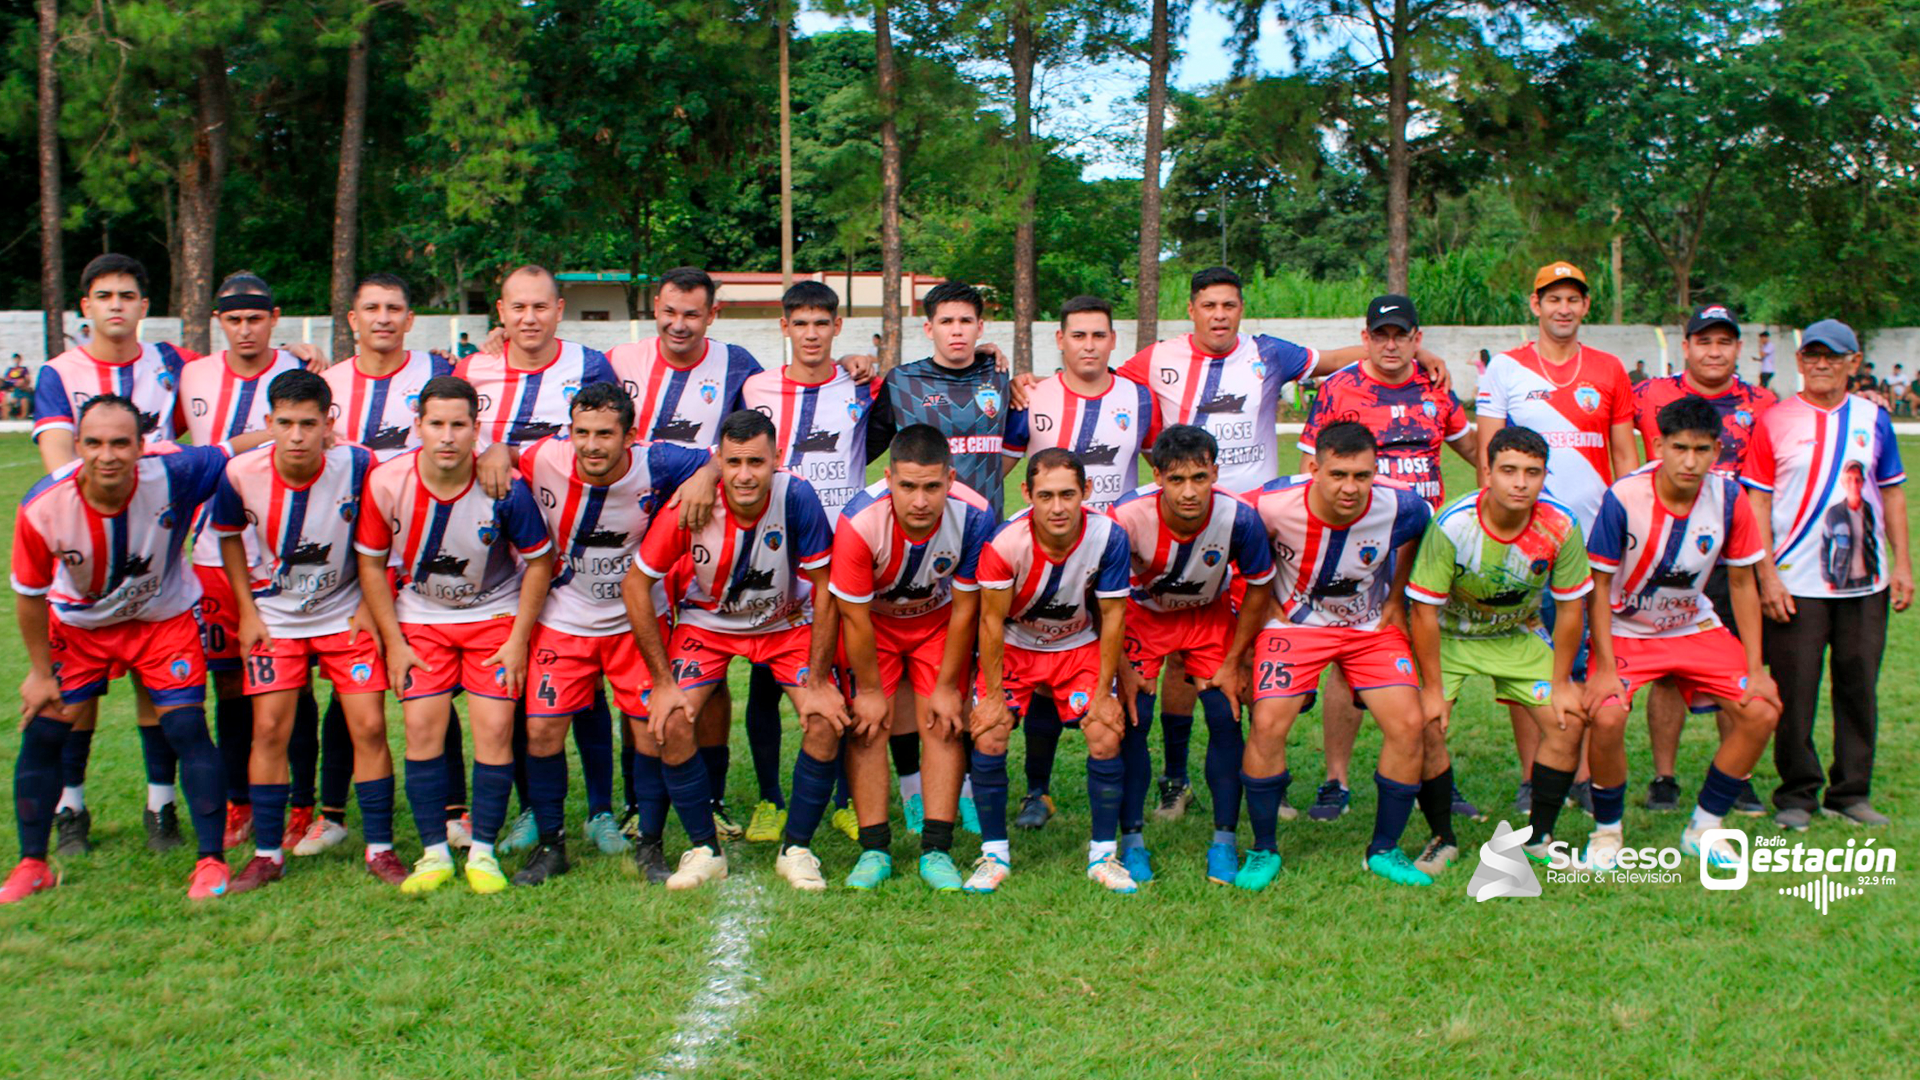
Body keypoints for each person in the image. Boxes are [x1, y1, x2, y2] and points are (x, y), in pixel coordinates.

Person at [1115, 267, 1451, 825]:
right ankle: (1176, 781)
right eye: (1209, 305)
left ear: (1241, 308)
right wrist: (1028, 382)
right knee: (1180, 656)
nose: (1219, 314)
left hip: (1258, 529)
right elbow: (1100, 377)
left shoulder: (1267, 353)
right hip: (1188, 521)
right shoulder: (1157, 358)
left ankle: (1266, 779)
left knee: (1249, 654)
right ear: (1191, 310)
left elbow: (1332, 359)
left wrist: (1420, 355)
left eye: (1229, 304)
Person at [3, 396, 250, 903]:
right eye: (94, 443)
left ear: (143, 446)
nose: (107, 454)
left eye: (121, 442)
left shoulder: (173, 473)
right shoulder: (42, 507)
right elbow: (28, 596)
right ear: (78, 446)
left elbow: (230, 448)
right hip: (81, 628)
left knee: (186, 726)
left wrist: (296, 434)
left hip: (162, 621)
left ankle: (210, 861)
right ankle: (33, 864)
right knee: (45, 732)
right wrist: (37, 671)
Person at [508, 382, 716, 885]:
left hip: (635, 620)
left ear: (631, 435)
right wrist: (496, 451)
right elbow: (506, 451)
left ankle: (650, 844)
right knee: (540, 731)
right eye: (582, 433)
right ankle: (552, 845)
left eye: (605, 434)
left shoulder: (660, 462)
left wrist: (706, 476)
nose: (591, 445)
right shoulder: (543, 458)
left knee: (653, 732)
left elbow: (721, 453)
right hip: (564, 617)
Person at [354, 376, 556, 894]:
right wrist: (394, 640)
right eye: (436, 424)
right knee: (421, 729)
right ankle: (434, 853)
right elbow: (371, 564)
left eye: (458, 425)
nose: (447, 436)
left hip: (493, 618)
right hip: (421, 620)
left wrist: (517, 639)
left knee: (493, 730)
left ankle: (484, 853)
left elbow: (539, 562)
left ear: (476, 430)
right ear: (418, 426)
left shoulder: (504, 487)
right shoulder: (386, 481)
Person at [628, 409, 844, 892]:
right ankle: (705, 849)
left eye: (756, 462)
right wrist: (663, 684)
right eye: (734, 462)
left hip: (785, 622)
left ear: (777, 460)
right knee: (672, 720)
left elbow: (827, 590)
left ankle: (798, 849)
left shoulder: (798, 496)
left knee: (825, 718)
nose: (745, 475)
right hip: (708, 623)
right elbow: (636, 584)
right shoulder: (692, 503)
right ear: (718, 462)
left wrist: (819, 680)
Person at [459, 265, 629, 858]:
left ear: (559, 309)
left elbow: (615, 429)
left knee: (590, 692)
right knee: (533, 686)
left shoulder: (588, 366)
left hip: (573, 542)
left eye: (540, 307)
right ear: (500, 314)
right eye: (517, 308)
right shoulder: (471, 368)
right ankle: (533, 812)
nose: (528, 318)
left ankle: (602, 811)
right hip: (499, 550)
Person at [210, 370, 397, 893]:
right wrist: (247, 610)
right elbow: (227, 537)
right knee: (269, 728)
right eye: (285, 423)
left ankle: (380, 848)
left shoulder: (359, 464)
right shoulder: (241, 472)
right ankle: (268, 855)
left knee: (370, 726)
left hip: (343, 612)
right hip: (279, 617)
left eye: (308, 423)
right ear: (268, 422)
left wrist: (367, 603)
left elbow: (385, 527)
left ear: (328, 424)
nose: (296, 435)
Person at [1295, 294, 1479, 824]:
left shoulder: (1435, 388)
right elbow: (1313, 464)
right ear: (1367, 337)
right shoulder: (1338, 388)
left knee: (1428, 662)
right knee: (1348, 663)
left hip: (1428, 550)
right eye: (1382, 335)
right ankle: (1335, 780)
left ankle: (1438, 771)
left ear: (1417, 339)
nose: (1392, 344)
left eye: (1402, 335)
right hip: (1361, 548)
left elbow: (1471, 450)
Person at [1577, 396, 1781, 870]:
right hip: (1627, 629)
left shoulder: (1729, 497)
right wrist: (1604, 667)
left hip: (1692, 625)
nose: (1690, 461)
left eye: (1703, 450)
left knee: (1762, 708)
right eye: (1680, 448)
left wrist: (1756, 669)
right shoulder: (1624, 497)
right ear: (1658, 445)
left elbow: (1741, 581)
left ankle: (1705, 826)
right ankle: (1607, 833)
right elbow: (1598, 587)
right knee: (1606, 716)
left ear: (1717, 451)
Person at [1473, 260, 1638, 815]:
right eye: (1553, 298)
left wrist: (1632, 528)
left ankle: (1584, 776)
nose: (1563, 308)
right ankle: (1532, 775)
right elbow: (1487, 461)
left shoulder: (1611, 370)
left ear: (1585, 306)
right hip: (1524, 548)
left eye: (1573, 299)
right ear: (1535, 304)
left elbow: (1626, 460)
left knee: (1589, 661)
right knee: (1525, 662)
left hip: (1593, 547)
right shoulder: (1505, 370)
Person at [318, 274, 474, 853]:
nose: (383, 318)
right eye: (371, 309)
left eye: (394, 309)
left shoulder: (439, 378)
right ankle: (329, 813)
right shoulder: (328, 385)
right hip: (348, 562)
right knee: (347, 689)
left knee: (434, 688)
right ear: (353, 319)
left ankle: (454, 811)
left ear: (410, 319)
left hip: (422, 561)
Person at [1241, 421, 1434, 889]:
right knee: (1268, 723)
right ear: (1314, 468)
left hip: (1368, 628)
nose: (1351, 488)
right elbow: (1242, 542)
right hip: (1296, 627)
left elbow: (1417, 530)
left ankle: (1385, 849)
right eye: (1339, 474)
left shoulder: (1402, 504)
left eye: (1363, 476)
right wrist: (1266, 600)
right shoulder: (1267, 503)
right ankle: (1262, 849)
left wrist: (1395, 598)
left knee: (1409, 724)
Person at [176, 271, 324, 855]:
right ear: (218, 321)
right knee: (232, 685)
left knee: (297, 687)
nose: (244, 329)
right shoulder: (191, 374)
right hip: (216, 553)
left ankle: (304, 804)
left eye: (255, 318)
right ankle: (239, 800)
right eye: (233, 319)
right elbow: (172, 446)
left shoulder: (303, 371)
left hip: (291, 561)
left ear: (274, 318)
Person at [1744, 319, 1911, 829]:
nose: (1821, 364)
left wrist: (1902, 561)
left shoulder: (1872, 418)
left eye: (1833, 356)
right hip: (1796, 581)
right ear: (1799, 361)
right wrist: (1766, 573)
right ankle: (1796, 794)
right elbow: (1759, 497)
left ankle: (1851, 791)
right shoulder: (1773, 420)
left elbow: (1893, 491)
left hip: (1865, 581)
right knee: (1795, 688)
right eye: (1812, 355)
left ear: (1853, 363)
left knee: (1859, 683)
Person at [999, 294, 1158, 830]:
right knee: (1045, 664)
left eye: (1099, 335)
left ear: (1113, 341)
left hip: (1119, 558)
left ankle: (1140, 802)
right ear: (1060, 340)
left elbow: (1167, 467)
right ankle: (1037, 792)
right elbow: (997, 465)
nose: (1089, 344)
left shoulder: (1139, 398)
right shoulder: (1033, 397)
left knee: (1127, 676)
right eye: (1078, 335)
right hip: (1051, 556)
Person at [1405, 426, 1590, 879]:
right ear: (1488, 472)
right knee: (1424, 724)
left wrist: (1564, 682)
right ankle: (1441, 838)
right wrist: (1431, 689)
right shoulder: (1453, 524)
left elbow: (1570, 609)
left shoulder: (1561, 525)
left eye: (1532, 472)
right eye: (1509, 471)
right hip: (1450, 637)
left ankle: (1540, 838)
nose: (1520, 483)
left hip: (1516, 635)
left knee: (1569, 721)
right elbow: (1424, 612)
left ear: (1545, 476)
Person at [820, 425, 997, 890]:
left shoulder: (976, 516)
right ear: (889, 477)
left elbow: (965, 608)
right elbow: (853, 617)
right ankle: (874, 850)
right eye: (908, 486)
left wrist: (945, 688)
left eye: (932, 487)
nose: (920, 501)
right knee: (868, 724)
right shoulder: (859, 522)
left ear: (951, 479)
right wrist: (873, 691)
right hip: (873, 627)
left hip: (937, 624)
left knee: (944, 721)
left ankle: (936, 850)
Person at [1108, 425, 1275, 885]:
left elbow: (1259, 588)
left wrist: (1235, 660)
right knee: (1133, 720)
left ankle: (1224, 841)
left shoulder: (1239, 517)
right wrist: (1121, 666)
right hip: (1143, 618)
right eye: (1176, 480)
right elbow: (1107, 598)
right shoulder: (1124, 516)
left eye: (1199, 478)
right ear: (1156, 474)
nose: (1188, 492)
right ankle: (1132, 840)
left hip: (1208, 616)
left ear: (1215, 473)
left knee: (1225, 716)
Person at [1629, 304, 1776, 813]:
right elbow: (1611, 432)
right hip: (1665, 546)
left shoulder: (1761, 402)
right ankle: (1664, 778)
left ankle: (1737, 774)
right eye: (1704, 341)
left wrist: (1765, 567)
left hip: (1732, 548)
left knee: (1732, 662)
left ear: (1738, 348)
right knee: (1667, 668)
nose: (1714, 351)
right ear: (1685, 345)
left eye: (1725, 342)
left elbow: (1764, 483)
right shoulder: (1649, 394)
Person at [970, 448, 1136, 894]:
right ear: (1027, 494)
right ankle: (993, 856)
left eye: (1068, 494)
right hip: (1016, 648)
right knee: (989, 732)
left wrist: (1104, 693)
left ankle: (1103, 856)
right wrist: (990, 696)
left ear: (1087, 491)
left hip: (1076, 647)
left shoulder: (1109, 537)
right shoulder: (1005, 542)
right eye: (1046, 496)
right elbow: (990, 621)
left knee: (1104, 732)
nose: (1058, 507)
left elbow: (1114, 616)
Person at [4, 354, 32, 419]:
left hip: (21, 388)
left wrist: (24, 384)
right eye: (15, 359)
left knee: (20, 387)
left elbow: (28, 380)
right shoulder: (10, 369)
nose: (16, 360)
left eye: (18, 359)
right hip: (11, 388)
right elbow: (6, 379)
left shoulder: (24, 369)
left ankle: (21, 413)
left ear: (20, 360)